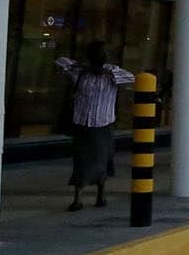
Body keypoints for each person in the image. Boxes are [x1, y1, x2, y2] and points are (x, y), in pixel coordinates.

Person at [55, 41, 132, 211]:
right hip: (82, 124)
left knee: (103, 161)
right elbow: (60, 61)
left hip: (103, 124)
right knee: (81, 161)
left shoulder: (111, 74)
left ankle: (100, 194)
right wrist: (83, 67)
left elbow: (131, 77)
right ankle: (78, 198)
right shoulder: (81, 73)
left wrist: (107, 70)